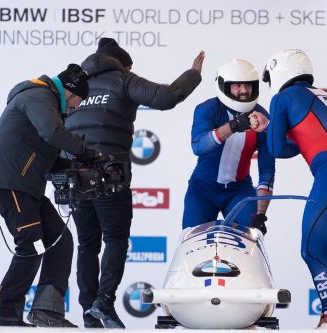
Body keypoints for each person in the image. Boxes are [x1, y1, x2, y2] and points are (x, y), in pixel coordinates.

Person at [64, 37, 205, 328]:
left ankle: (89, 311)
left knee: (87, 244)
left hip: (73, 175)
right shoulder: (123, 79)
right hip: (108, 174)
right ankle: (103, 301)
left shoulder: (74, 85)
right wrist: (193, 74)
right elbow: (166, 97)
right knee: (115, 238)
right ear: (124, 63)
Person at [257, 49, 327, 329]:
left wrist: (267, 128)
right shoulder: (324, 94)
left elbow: (277, 148)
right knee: (323, 251)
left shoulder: (282, 98)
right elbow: (313, 138)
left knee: (313, 250)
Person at [0, 64, 95, 327]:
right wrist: (84, 151)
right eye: (78, 100)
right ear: (68, 91)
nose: (76, 107)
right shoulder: (38, 96)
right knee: (30, 244)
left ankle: (47, 310)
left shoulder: (47, 105)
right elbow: (52, 133)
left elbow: (45, 156)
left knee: (61, 240)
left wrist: (76, 166)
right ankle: (4, 314)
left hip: (26, 185)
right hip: (8, 183)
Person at [182, 58, 274, 232]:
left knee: (249, 243)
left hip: (240, 192)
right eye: (237, 85)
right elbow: (198, 146)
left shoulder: (262, 117)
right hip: (203, 191)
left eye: (248, 85)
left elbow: (267, 169)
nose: (244, 91)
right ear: (224, 86)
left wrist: (261, 213)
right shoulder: (207, 109)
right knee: (192, 241)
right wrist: (233, 127)